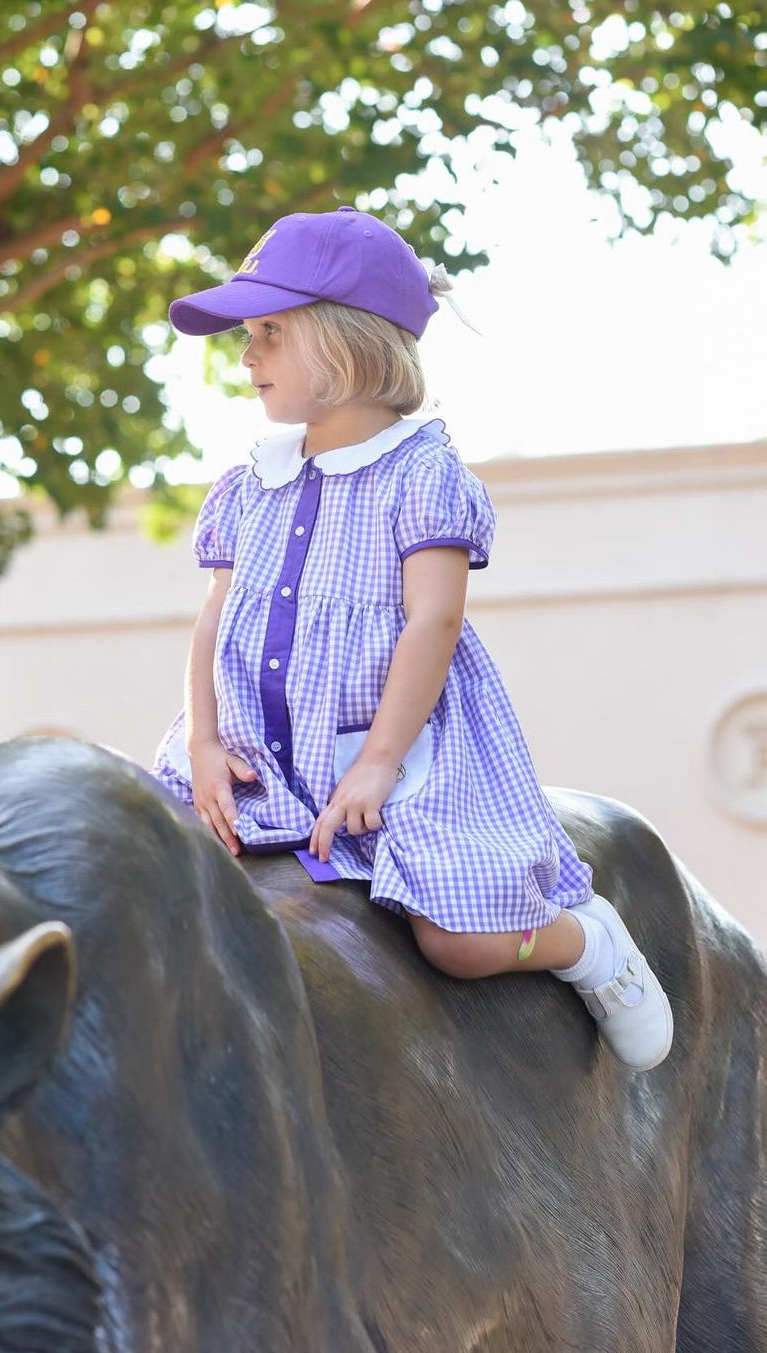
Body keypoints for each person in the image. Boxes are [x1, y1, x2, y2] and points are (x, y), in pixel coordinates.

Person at [152, 206, 673, 1072]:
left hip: (395, 750)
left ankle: (584, 944)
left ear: (345, 343)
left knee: (455, 942)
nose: (247, 356)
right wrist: (203, 742)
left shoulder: (422, 473)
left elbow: (433, 621)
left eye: (270, 332)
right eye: (247, 335)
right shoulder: (252, 481)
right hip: (258, 755)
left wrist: (380, 763)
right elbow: (213, 621)